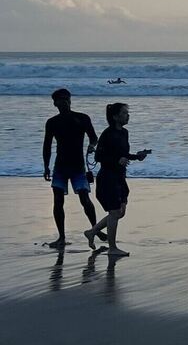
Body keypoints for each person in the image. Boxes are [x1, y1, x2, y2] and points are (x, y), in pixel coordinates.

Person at [84, 103, 150, 257]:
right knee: (114, 212)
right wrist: (116, 160)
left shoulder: (124, 133)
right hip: (107, 177)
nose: (128, 115)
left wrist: (137, 156)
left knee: (120, 212)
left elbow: (123, 155)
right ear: (115, 116)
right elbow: (98, 156)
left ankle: (92, 232)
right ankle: (112, 248)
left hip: (120, 177)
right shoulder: (107, 133)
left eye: (127, 113)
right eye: (124, 113)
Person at [43, 88, 103, 248]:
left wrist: (91, 146)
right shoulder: (52, 122)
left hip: (78, 166)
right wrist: (46, 166)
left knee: (85, 199)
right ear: (55, 103)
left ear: (70, 100)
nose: (64, 101)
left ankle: (95, 229)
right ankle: (61, 237)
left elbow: (94, 138)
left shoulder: (82, 118)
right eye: (60, 99)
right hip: (60, 166)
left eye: (66, 98)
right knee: (58, 201)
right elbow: (47, 145)